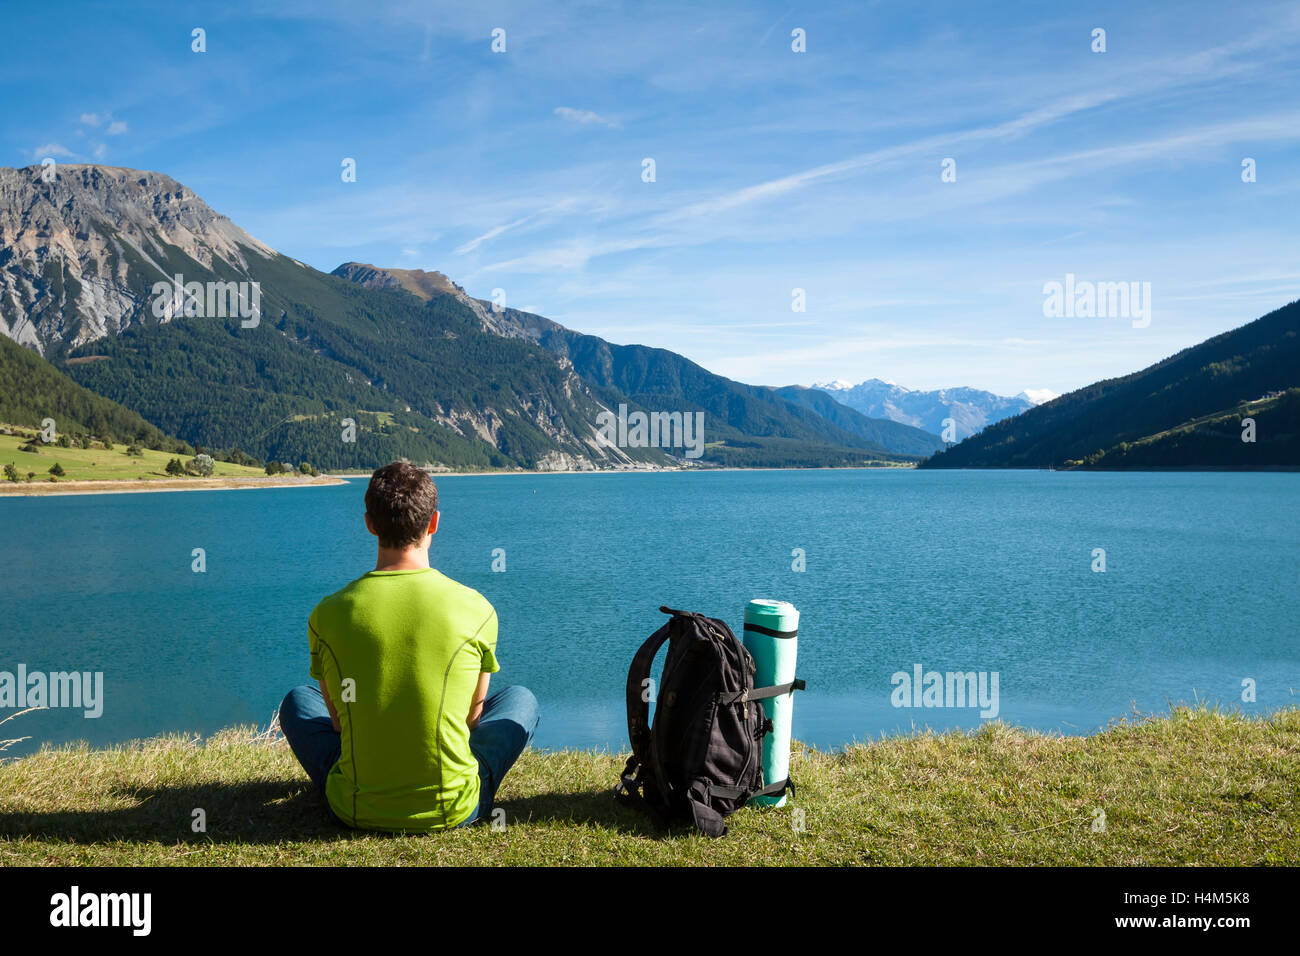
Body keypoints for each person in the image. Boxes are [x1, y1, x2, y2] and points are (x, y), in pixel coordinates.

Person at [279, 461, 538, 831]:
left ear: (369, 523)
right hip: (454, 807)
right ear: (433, 523)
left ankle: (364, 781)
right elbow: (472, 719)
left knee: (297, 701)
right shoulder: (477, 608)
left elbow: (337, 723)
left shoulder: (327, 613)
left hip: (354, 807)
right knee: (522, 699)